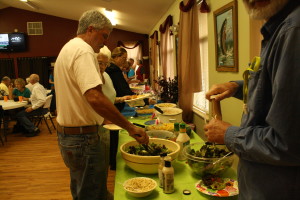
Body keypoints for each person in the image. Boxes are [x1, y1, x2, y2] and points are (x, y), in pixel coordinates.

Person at [204, 1, 300, 199]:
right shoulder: (277, 28)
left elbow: (287, 145)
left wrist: (228, 134)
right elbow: (274, 86)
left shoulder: (293, 31)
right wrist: (236, 86)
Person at [54, 10, 148, 200]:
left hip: (69, 135)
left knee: (84, 190)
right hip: (83, 139)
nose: (105, 42)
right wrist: (129, 127)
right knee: (92, 194)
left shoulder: (68, 48)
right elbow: (95, 97)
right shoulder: (83, 51)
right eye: (104, 36)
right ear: (90, 29)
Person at [105, 47, 134, 111]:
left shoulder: (111, 68)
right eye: (124, 58)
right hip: (115, 106)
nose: (125, 61)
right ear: (117, 57)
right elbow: (123, 90)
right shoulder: (114, 70)